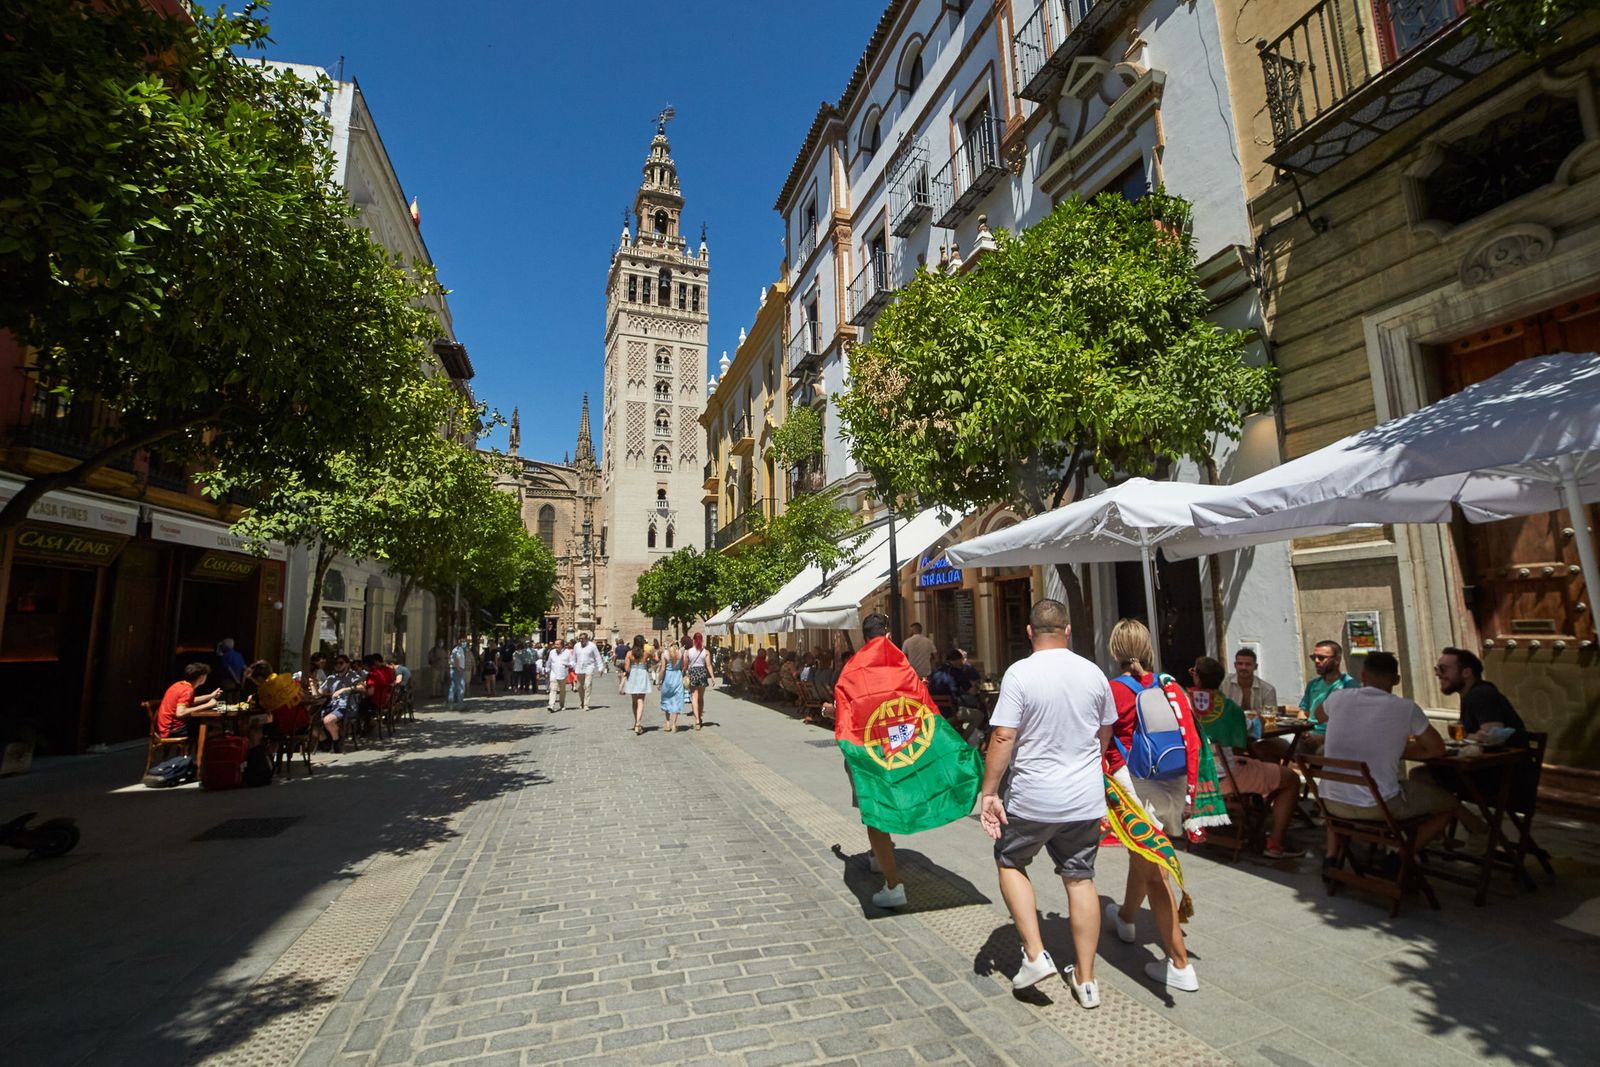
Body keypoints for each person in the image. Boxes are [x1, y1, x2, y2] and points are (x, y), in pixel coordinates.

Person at [979, 599, 1116, 1006]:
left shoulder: (1020, 673)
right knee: (1080, 878)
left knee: (1010, 861)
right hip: (1084, 798)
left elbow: (1003, 736)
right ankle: (1087, 980)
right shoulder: (1093, 673)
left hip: (1034, 796)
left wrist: (989, 791)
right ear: (1068, 630)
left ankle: (1036, 952)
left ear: (1028, 631)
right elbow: (1104, 732)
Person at [1104, 618, 1201, 993]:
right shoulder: (1169, 685)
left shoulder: (1113, 690)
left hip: (1131, 782)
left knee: (1155, 865)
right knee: (1142, 852)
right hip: (1169, 780)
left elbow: (1103, 741)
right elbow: (1190, 737)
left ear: (1115, 651)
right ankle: (1127, 918)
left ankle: (1179, 963)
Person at [1320, 651, 1457, 855]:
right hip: (1377, 806)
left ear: (1363, 676)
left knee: (1399, 789)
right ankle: (1400, 856)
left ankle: (1333, 859)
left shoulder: (1338, 697)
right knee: (1449, 805)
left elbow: (1318, 715)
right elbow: (1436, 748)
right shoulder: (1405, 708)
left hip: (1331, 803)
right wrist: (1396, 750)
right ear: (1397, 680)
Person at [1189, 656, 1305, 860]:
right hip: (1222, 778)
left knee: (1256, 757)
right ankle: (1276, 842)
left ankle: (1255, 807)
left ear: (1196, 678)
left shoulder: (1182, 704)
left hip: (1191, 777)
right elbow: (1253, 730)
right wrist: (1256, 719)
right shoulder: (1229, 708)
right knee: (1291, 779)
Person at [1436, 647, 1528, 745]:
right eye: (1436, 669)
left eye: (1443, 669)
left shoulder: (1482, 694)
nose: (1437, 674)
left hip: (1507, 759)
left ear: (1466, 672)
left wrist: (1465, 735)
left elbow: (1490, 738)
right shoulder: (1469, 694)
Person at [1300, 640, 1358, 754]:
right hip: (1307, 734)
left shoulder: (1349, 685)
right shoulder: (1313, 684)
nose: (1316, 661)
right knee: (1265, 746)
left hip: (1333, 738)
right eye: (1314, 657)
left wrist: (1324, 737)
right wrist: (1302, 732)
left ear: (1337, 660)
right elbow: (1304, 711)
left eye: (1321, 658)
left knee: (1323, 753)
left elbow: (1352, 723)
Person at [156, 663, 222, 739]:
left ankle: (190, 750)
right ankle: (198, 751)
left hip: (164, 727)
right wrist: (207, 705)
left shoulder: (179, 684)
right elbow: (180, 713)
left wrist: (210, 696)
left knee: (202, 724)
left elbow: (189, 701)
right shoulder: (187, 690)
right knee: (211, 729)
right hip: (172, 730)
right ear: (201, 677)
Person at [320, 654, 364, 750]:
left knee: (327, 720)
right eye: (336, 663)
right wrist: (312, 684)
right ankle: (326, 742)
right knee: (310, 721)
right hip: (331, 706)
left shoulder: (353, 676)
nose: (338, 665)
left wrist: (344, 689)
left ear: (347, 664)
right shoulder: (331, 678)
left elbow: (362, 688)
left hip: (346, 707)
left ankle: (336, 742)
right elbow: (321, 691)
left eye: (341, 663)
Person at [1220, 647, 1278, 717]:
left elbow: (1271, 716)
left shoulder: (1268, 690)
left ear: (1255, 666)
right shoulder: (1223, 684)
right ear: (1235, 665)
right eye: (1240, 664)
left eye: (1248, 664)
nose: (1243, 667)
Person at [622, 635, 654, 735]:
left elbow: (627, 669)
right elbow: (656, 659)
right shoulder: (646, 653)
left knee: (634, 701)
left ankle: (636, 721)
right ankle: (638, 724)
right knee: (641, 700)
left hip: (633, 675)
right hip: (642, 675)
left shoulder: (629, 653)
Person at [684, 632, 713, 729]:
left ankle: (696, 720)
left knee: (694, 697)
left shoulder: (688, 652)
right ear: (702, 640)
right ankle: (700, 717)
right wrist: (712, 677)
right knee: (701, 697)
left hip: (693, 673)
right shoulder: (706, 652)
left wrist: (683, 673)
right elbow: (708, 665)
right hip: (702, 673)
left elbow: (685, 666)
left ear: (693, 640)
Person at [659, 639, 687, 732]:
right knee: (676, 700)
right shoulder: (680, 654)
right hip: (677, 677)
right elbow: (683, 666)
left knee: (667, 699)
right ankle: (674, 724)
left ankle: (667, 722)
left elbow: (662, 669)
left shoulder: (664, 655)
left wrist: (659, 681)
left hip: (667, 677)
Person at [572, 632, 604, 710]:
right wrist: (573, 665)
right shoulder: (576, 646)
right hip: (579, 669)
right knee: (580, 687)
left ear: (587, 639)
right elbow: (574, 657)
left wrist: (600, 668)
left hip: (589, 668)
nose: (581, 640)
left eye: (583, 638)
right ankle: (582, 702)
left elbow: (598, 657)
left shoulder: (592, 646)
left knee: (587, 685)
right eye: (580, 638)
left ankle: (586, 704)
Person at [547, 638, 575, 712]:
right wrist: (547, 669)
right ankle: (551, 705)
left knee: (562, 690)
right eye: (555, 644)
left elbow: (572, 662)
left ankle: (562, 704)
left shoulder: (568, 652)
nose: (555, 645)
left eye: (557, 644)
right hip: (553, 674)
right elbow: (549, 662)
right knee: (553, 689)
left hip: (563, 674)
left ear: (562, 645)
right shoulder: (552, 652)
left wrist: (568, 665)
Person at [447, 638, 470, 711]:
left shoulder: (459, 650)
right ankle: (460, 704)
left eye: (465, 642)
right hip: (457, 670)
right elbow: (456, 659)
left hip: (456, 670)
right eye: (463, 642)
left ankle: (454, 704)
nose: (464, 643)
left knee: (454, 687)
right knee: (460, 687)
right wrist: (459, 669)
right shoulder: (457, 650)